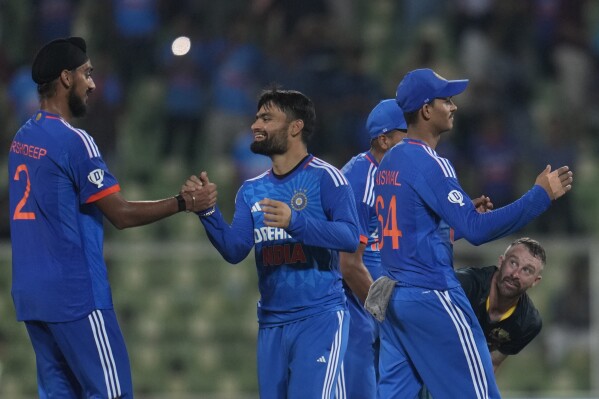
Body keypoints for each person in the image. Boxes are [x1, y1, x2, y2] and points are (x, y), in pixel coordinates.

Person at [7, 37, 216, 398]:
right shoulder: (75, 141)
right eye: (87, 74)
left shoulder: (22, 138)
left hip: (32, 296)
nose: (92, 83)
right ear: (66, 78)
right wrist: (185, 202)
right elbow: (120, 213)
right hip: (75, 295)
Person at [371, 68, 573, 398]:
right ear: (425, 110)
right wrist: (540, 195)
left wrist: (451, 223)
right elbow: (477, 230)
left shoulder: (391, 161)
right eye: (446, 100)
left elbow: (411, 232)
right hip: (431, 294)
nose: (454, 107)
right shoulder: (430, 162)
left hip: (395, 299)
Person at [184, 88, 360, 399]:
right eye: (256, 118)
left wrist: (296, 222)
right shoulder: (250, 190)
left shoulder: (326, 178)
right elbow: (235, 249)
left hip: (318, 319)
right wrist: (207, 211)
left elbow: (349, 237)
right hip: (271, 324)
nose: (255, 125)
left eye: (266, 118)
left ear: (295, 127)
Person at [336, 99, 407, 398]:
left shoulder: (392, 175)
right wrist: (384, 314)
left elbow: (393, 236)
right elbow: (348, 265)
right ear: (384, 139)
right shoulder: (363, 179)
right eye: (407, 135)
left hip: (371, 291)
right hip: (347, 297)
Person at [419, 237, 547, 398]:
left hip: (459, 374)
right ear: (501, 262)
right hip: (423, 356)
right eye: (513, 263)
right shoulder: (462, 286)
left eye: (527, 270)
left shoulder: (528, 323)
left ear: (536, 281)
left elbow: (491, 363)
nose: (515, 274)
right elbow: (423, 332)